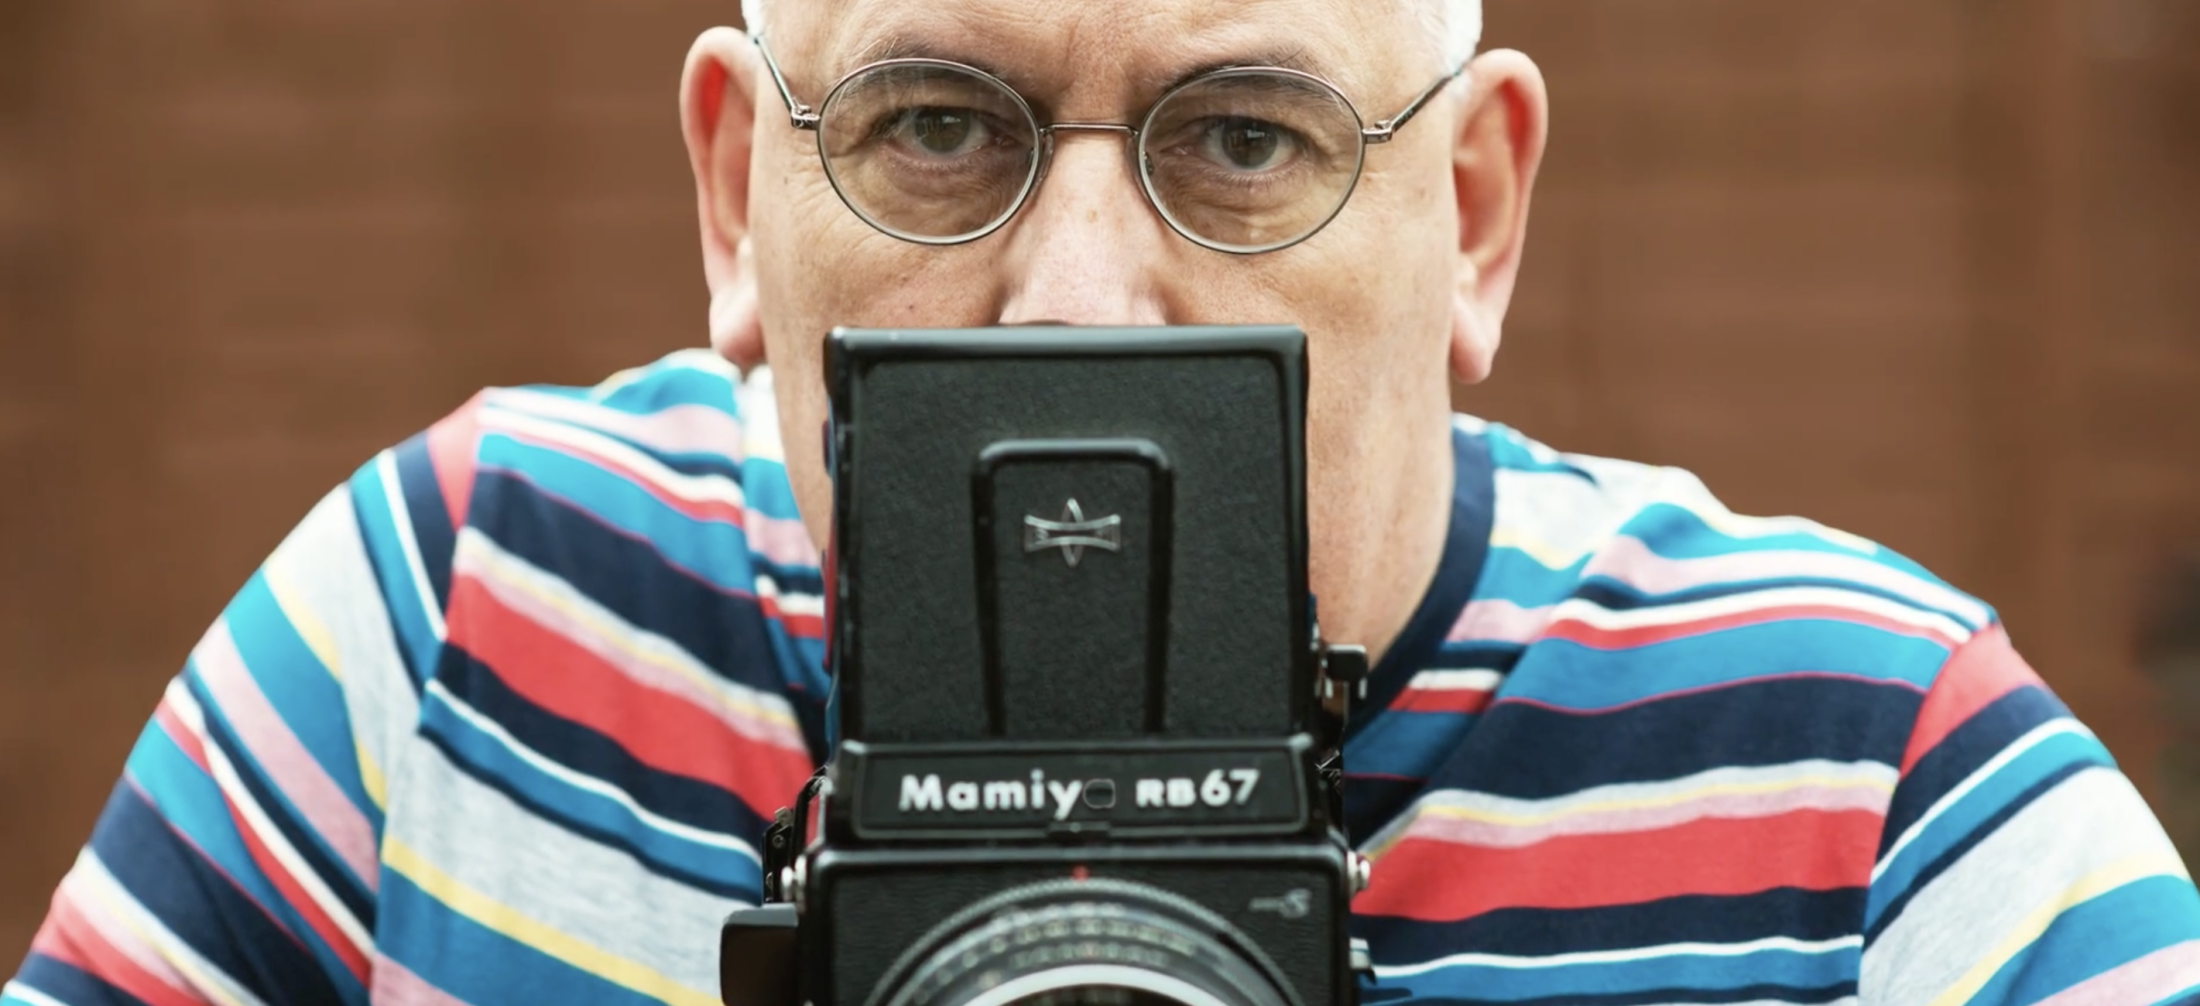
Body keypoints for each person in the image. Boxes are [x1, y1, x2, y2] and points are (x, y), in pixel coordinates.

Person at [8, 0, 2199, 1004]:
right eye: (934, 125)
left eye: (1242, 139)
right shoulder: (463, 621)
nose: (1074, 299)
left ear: (1469, 211)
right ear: (727, 187)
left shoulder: (1860, 777)